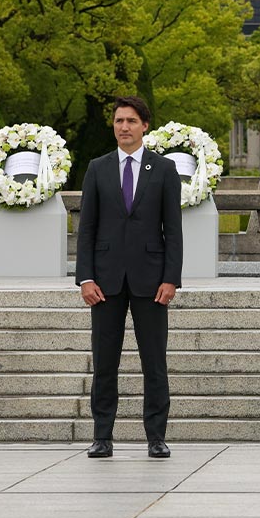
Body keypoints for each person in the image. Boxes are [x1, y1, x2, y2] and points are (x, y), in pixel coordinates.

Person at [76, 96, 182, 459]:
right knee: (105, 362)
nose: (124, 127)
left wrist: (171, 278)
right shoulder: (98, 168)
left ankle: (156, 437)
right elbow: (86, 227)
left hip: (151, 282)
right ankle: (102, 437)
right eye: (119, 121)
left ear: (145, 126)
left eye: (132, 121)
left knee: (154, 362)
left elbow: (174, 230)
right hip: (105, 283)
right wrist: (85, 277)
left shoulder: (164, 169)